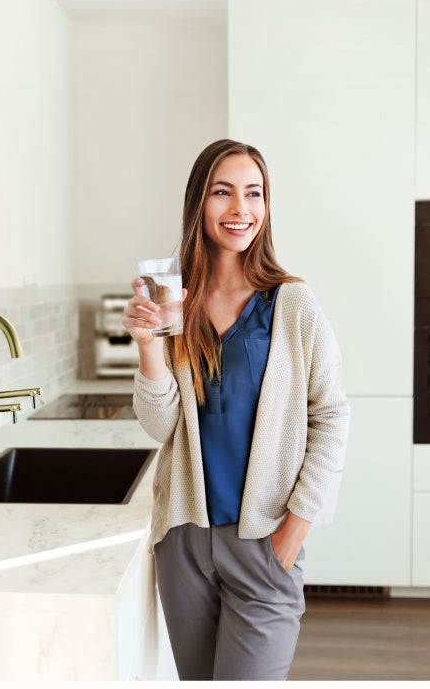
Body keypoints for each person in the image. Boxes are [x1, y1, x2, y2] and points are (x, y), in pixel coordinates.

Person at [125, 138, 349, 681]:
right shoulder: (175, 301)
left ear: (266, 207)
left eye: (254, 194)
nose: (240, 209)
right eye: (223, 192)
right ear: (199, 204)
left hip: (265, 542)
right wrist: (149, 346)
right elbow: (161, 426)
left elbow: (333, 416)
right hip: (184, 542)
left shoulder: (291, 303)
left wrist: (293, 532)